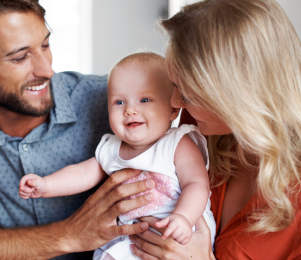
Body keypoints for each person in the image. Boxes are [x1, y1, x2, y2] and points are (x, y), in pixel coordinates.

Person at [129, 0, 301, 259]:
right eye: (175, 85)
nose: (175, 104)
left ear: (239, 98)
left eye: (188, 95)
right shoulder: (201, 131)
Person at [0, 1, 156, 259]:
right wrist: (68, 235)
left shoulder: (113, 104)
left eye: (45, 45)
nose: (47, 70)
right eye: (19, 57)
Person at [19, 52, 216, 260]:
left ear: (173, 111)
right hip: (130, 238)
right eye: (119, 102)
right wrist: (47, 185)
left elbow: (196, 184)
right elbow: (82, 173)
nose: (130, 110)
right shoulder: (111, 148)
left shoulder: (177, 144)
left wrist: (183, 217)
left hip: (179, 236)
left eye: (145, 99)